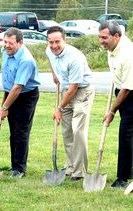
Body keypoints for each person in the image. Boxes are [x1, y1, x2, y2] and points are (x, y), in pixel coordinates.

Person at [98, 21, 133, 188]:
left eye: (104, 38)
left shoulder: (128, 55)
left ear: (116, 36)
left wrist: (112, 111)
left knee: (126, 131)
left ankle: (123, 178)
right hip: (123, 87)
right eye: (99, 37)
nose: (101, 41)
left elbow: (128, 88)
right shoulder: (112, 46)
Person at [46, 26, 94, 181]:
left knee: (78, 131)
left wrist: (59, 107)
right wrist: (55, 74)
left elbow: (74, 86)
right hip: (66, 90)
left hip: (81, 92)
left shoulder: (75, 57)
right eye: (51, 42)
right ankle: (70, 166)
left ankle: (79, 171)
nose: (54, 46)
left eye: (57, 42)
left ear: (64, 40)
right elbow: (50, 59)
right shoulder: (49, 51)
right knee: (66, 131)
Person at [0, 28, 40, 178]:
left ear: (20, 43)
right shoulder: (5, 51)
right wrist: (5, 101)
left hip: (25, 96)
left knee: (21, 132)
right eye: (5, 42)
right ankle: (13, 165)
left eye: (10, 43)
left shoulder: (26, 60)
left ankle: (20, 169)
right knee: (13, 131)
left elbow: (18, 87)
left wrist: (4, 107)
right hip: (10, 92)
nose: (6, 46)